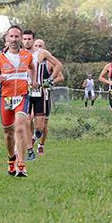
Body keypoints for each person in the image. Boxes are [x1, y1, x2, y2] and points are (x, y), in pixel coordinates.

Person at [0, 25, 37, 176]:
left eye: (17, 37)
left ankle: (21, 165)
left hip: (22, 96)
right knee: (8, 134)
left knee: (21, 127)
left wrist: (33, 81)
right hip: (6, 98)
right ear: (6, 39)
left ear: (21, 39)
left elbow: (32, 67)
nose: (14, 39)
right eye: (11, 36)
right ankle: (11, 160)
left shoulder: (27, 55)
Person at [22, 31, 63, 159]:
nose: (27, 41)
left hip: (39, 91)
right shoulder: (20, 54)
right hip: (25, 92)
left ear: (33, 40)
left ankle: (37, 134)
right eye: (24, 39)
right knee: (26, 120)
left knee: (40, 126)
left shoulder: (42, 53)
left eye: (29, 39)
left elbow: (59, 65)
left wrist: (50, 80)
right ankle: (30, 150)